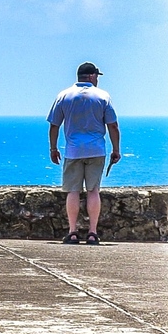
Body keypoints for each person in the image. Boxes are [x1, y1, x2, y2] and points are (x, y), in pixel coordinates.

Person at [47, 60, 121, 245]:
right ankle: (92, 233)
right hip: (96, 150)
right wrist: (116, 149)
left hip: (72, 150)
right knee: (93, 190)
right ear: (91, 76)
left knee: (73, 191)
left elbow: (54, 125)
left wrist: (54, 148)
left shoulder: (64, 96)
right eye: (97, 76)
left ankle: (72, 232)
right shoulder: (103, 96)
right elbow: (112, 125)